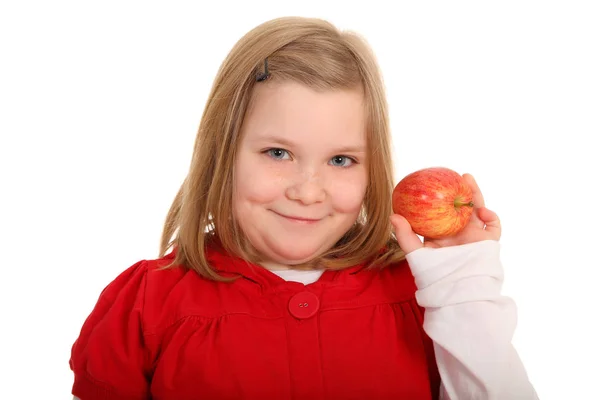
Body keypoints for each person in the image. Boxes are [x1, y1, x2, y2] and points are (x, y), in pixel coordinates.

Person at [69, 16, 538, 400]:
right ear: (223, 152)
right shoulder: (146, 304)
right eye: (278, 153)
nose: (308, 192)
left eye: (341, 160)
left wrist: (462, 285)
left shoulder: (421, 296)